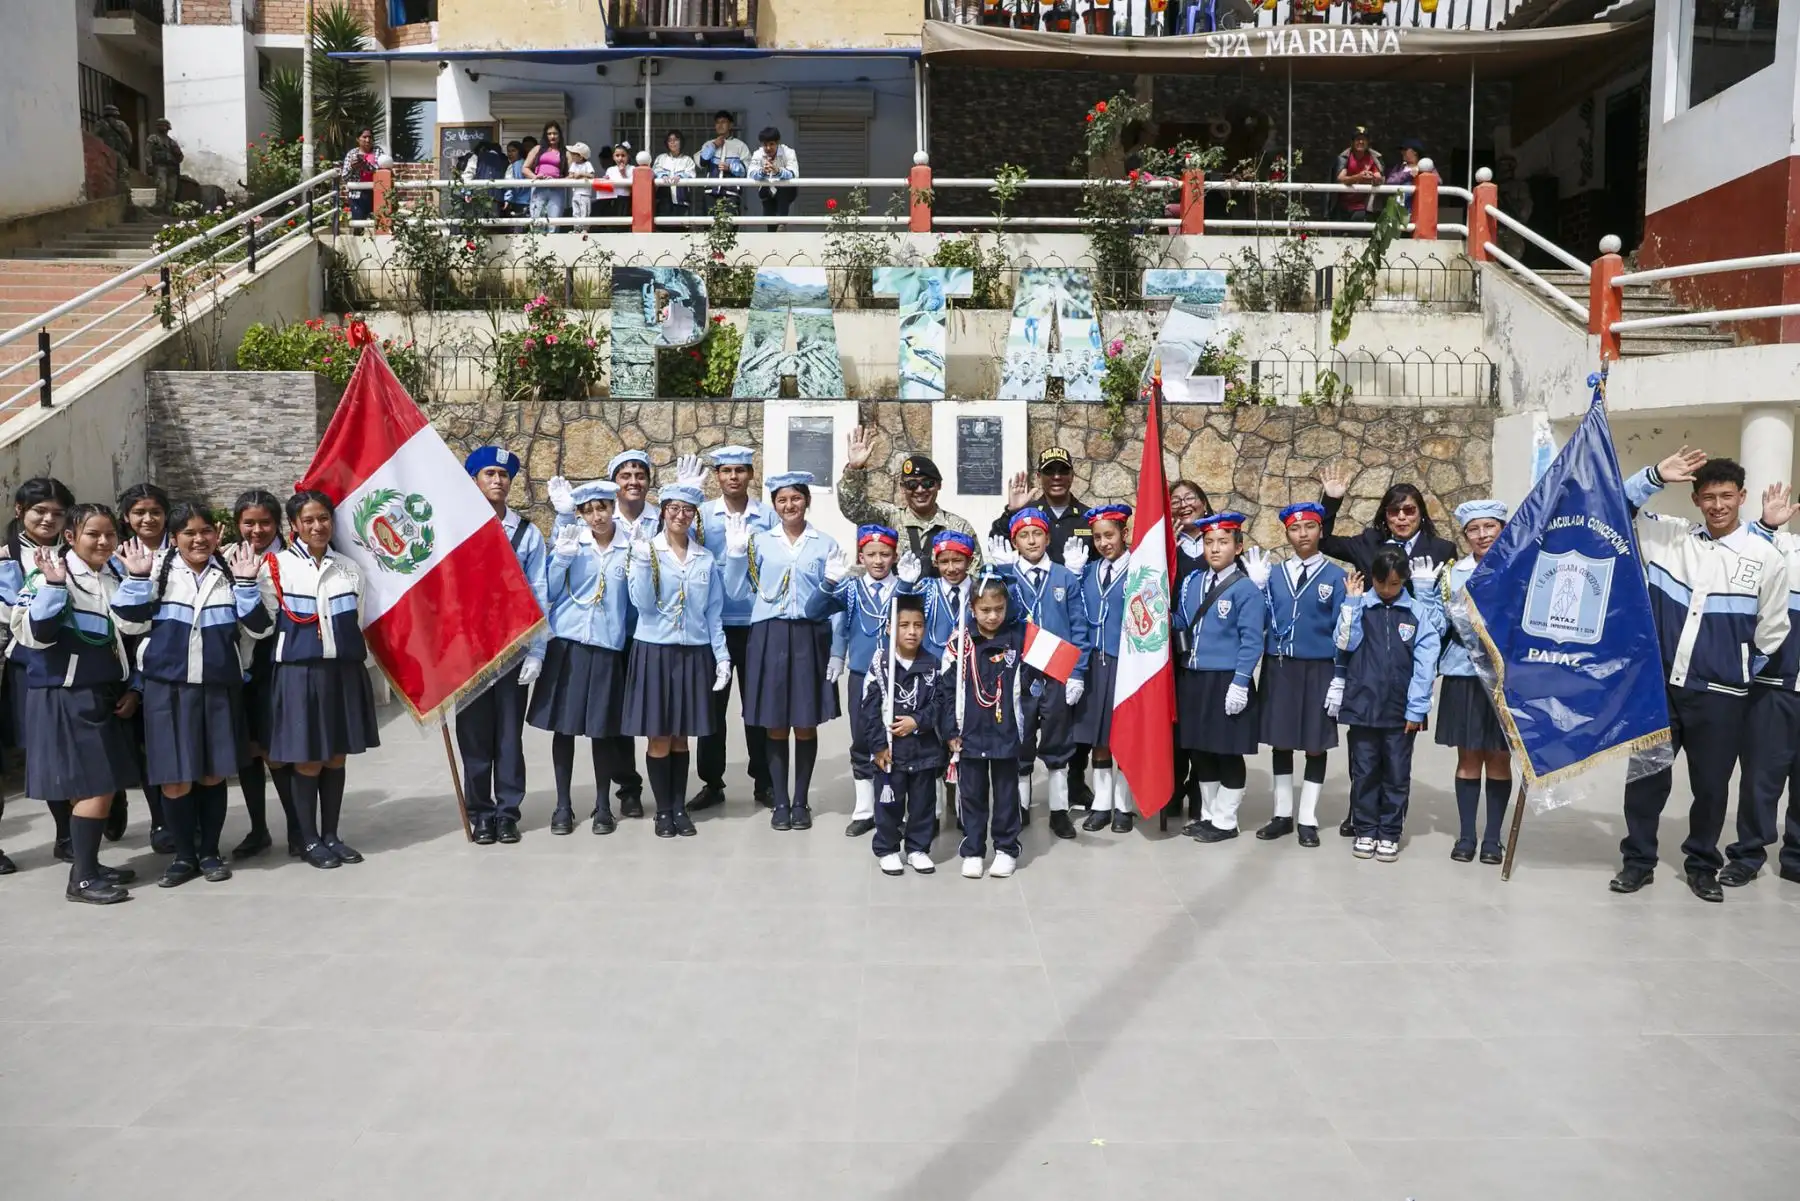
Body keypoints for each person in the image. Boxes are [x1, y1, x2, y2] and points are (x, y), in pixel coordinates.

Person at [1613, 451, 1789, 903]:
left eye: (1726, 496)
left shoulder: (1765, 557)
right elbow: (1615, 507)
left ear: (1742, 497)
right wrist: (1654, 475)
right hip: (1658, 692)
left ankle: (1702, 866)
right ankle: (1638, 862)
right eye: (1708, 497)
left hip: (1721, 697)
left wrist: (1740, 668)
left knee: (1710, 788)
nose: (1717, 505)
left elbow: (1773, 628)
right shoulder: (1669, 536)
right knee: (1646, 781)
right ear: (1695, 500)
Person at [113, 504, 266, 888]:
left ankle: (210, 852)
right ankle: (184, 856)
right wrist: (136, 578)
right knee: (175, 780)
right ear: (174, 537)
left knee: (212, 775)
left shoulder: (232, 572)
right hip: (168, 689)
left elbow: (260, 629)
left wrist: (248, 586)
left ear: (217, 533)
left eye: (205, 532)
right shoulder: (154, 570)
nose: (199, 540)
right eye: (189, 533)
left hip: (217, 688)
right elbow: (128, 623)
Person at [12, 503, 146, 904]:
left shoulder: (111, 574)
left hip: (99, 691)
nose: (104, 542)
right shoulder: (48, 575)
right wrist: (54, 589)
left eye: (110, 534)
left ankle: (90, 864)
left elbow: (133, 626)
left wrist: (138, 579)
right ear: (70, 537)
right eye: (93, 534)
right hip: (66, 694)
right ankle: (82, 879)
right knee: (96, 786)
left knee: (94, 786)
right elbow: (33, 636)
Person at [258, 491, 381, 870]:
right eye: (308, 520)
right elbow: (262, 627)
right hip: (300, 674)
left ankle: (331, 835)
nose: (317, 526)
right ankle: (307, 838)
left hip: (342, 671)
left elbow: (359, 620)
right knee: (308, 759)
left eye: (323, 518)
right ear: (294, 525)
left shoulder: (349, 568)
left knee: (335, 756)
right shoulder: (275, 567)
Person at [721, 472, 849, 831]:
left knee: (805, 723)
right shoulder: (760, 542)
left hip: (811, 636)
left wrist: (838, 651)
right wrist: (735, 555)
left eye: (796, 498)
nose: (789, 505)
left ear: (807, 501)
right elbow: (736, 590)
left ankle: (800, 801)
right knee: (775, 723)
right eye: (782, 500)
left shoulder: (825, 544)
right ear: (774, 505)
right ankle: (779, 800)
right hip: (770, 634)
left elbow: (838, 603)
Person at [623, 483, 731, 838]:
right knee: (659, 736)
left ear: (694, 516)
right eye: (674, 508)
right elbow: (642, 605)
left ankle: (679, 807)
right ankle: (662, 810)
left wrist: (721, 656)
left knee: (682, 737)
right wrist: (641, 563)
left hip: (693, 652)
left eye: (688, 510)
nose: (680, 516)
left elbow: (713, 612)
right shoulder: (647, 550)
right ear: (664, 512)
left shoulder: (705, 558)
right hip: (655, 651)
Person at [455, 448, 547, 846]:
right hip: (469, 654)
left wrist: (538, 651)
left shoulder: (526, 533)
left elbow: (539, 593)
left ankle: (508, 813)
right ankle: (481, 813)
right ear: (473, 480)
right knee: (474, 738)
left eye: (503, 475)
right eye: (489, 474)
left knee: (509, 738)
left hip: (512, 649)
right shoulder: (457, 531)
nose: (497, 481)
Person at [533, 477, 632, 836]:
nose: (596, 517)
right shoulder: (573, 541)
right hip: (569, 643)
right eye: (588, 511)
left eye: (601, 508)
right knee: (565, 728)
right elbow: (548, 589)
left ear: (613, 508)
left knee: (601, 731)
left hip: (606, 646)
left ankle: (603, 805)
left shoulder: (630, 547)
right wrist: (561, 558)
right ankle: (563, 805)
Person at [987, 510, 1091, 839]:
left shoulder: (1064, 577)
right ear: (1014, 542)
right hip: (1019, 672)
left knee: (1058, 742)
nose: (1031, 541)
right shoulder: (1006, 577)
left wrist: (1077, 672)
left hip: (1057, 672)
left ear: (1048, 538)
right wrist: (1004, 575)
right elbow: (995, 623)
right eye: (1023, 535)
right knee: (1020, 739)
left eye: (1037, 534)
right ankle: (1020, 807)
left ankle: (1059, 811)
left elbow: (1078, 627)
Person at [1334, 548, 1440, 862]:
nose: (1386, 590)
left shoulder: (1416, 612)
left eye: (1394, 584)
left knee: (1396, 773)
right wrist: (1352, 602)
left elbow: (1426, 664)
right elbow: (1345, 642)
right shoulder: (1360, 606)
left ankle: (1390, 832)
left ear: (1404, 580)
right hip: (1362, 706)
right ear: (1373, 578)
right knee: (1364, 771)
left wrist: (1416, 708)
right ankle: (1365, 829)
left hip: (1399, 711)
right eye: (1381, 582)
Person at [1252, 502, 1347, 849]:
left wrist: (1340, 676)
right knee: (1281, 741)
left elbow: (1343, 631)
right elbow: (1260, 621)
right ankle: (1282, 813)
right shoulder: (1273, 574)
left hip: (1319, 667)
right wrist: (1256, 590)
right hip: (1280, 667)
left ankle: (1307, 817)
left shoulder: (1336, 577)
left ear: (1321, 530)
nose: (1303, 534)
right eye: (1295, 528)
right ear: (1287, 533)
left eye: (1310, 527)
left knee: (1315, 744)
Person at [689, 448, 775, 811]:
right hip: (713, 624)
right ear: (717, 476)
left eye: (740, 470)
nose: (733, 477)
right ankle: (712, 782)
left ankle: (765, 781)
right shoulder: (702, 514)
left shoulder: (767, 516)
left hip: (755, 622)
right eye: (726, 471)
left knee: (757, 707)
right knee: (712, 708)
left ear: (751, 474)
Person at [1176, 512, 1267, 844]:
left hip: (1226, 679)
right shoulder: (1192, 582)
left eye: (1223, 542)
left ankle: (1227, 821)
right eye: (1209, 542)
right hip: (1194, 678)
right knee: (1201, 751)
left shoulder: (1246, 590)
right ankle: (1209, 814)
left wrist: (1240, 682)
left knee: (1227, 752)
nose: (1215, 549)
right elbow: (1182, 620)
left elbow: (1252, 641)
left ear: (1238, 547)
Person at [0, 477, 75, 869]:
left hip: (77, 664)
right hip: (26, 666)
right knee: (41, 751)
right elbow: (10, 615)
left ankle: (78, 828)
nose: (48, 519)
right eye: (39, 511)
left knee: (71, 748)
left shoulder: (78, 551)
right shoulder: (5, 559)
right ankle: (65, 835)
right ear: (19, 511)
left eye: (57, 513)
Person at [829, 525, 922, 837]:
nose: (878, 560)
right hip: (862, 675)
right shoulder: (852, 588)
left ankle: (898, 809)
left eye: (885, 554)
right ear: (861, 556)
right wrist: (837, 655)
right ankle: (865, 810)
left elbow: (915, 623)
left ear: (895, 556)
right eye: (871, 554)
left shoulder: (906, 587)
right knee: (862, 739)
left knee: (900, 739)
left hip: (899, 675)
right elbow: (830, 618)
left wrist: (907, 586)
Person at [1435, 499, 1513, 865]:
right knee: (1468, 757)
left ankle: (1493, 838)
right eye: (1474, 529)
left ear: (1502, 529)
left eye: (1489, 527)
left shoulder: (1519, 567)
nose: (1482, 535)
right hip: (1464, 673)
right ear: (1465, 535)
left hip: (1505, 677)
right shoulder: (1453, 574)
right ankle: (1466, 835)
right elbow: (1440, 624)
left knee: (1499, 756)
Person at [1731, 483, 1800, 887]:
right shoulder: (1785, 549)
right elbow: (1745, 554)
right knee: (1761, 778)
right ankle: (1747, 855)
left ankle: (1796, 859)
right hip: (1775, 688)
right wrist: (1767, 525)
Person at [229, 489, 299, 859]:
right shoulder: (224, 557)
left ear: (278, 524)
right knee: (248, 750)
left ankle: (298, 827)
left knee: (277, 751)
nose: (257, 530)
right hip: (234, 667)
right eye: (249, 523)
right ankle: (258, 828)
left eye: (265, 523)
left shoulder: (290, 560)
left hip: (275, 663)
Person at [942, 574, 1026, 879]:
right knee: (972, 795)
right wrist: (950, 731)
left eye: (999, 609)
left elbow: (1033, 685)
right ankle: (973, 849)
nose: (992, 616)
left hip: (1006, 734)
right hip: (969, 734)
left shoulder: (1019, 639)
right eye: (985, 610)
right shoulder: (959, 643)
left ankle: (1006, 849)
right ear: (972, 609)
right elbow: (945, 691)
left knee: (1006, 795)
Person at [861, 594, 949, 876]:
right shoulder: (880, 664)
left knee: (923, 804)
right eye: (904, 625)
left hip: (924, 751)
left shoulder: (933, 665)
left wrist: (916, 721)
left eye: (918, 625)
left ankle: (917, 849)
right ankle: (887, 849)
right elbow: (869, 709)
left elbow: (940, 704)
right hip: (891, 752)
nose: (912, 632)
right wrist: (878, 746)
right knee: (889, 803)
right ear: (890, 628)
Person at [838, 426, 982, 577]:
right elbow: (853, 509)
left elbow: (975, 575)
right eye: (912, 484)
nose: (920, 490)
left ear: (939, 485)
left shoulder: (959, 528)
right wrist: (854, 469)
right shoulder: (888, 519)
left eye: (927, 483)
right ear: (902, 488)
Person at [115, 482, 172, 851]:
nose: (148, 519)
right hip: (129, 664)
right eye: (139, 512)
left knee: (175, 747)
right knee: (146, 748)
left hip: (173, 662)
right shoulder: (114, 556)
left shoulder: (183, 550)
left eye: (155, 512)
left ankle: (185, 820)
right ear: (126, 517)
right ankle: (160, 820)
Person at [1071, 504, 1132, 829]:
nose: (1104, 543)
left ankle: (1124, 805)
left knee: (1125, 737)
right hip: (1095, 663)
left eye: (1110, 535)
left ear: (1124, 534)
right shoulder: (1089, 571)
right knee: (1099, 737)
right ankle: (1102, 803)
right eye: (1097, 537)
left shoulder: (1139, 569)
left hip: (1127, 664)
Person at [605, 450, 657, 816]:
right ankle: (628, 787)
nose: (634, 481)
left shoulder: (662, 517)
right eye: (626, 476)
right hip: (612, 632)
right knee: (617, 715)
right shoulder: (602, 518)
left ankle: (666, 786)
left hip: (653, 631)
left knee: (657, 710)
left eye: (640, 475)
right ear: (614, 483)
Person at [1316, 462, 1456, 581]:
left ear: (1421, 514)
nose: (1401, 517)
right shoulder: (1368, 542)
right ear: (1385, 516)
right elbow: (1321, 542)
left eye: (1409, 510)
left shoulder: (1443, 550)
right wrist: (1331, 501)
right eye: (1394, 511)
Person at [1167, 479, 1215, 817]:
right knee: (1175, 721)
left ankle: (1201, 786)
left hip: (1211, 646)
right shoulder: (1165, 544)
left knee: (1203, 719)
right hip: (1174, 646)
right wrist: (1166, 550)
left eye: (1190, 498)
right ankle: (1173, 786)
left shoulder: (1218, 539)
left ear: (1204, 503)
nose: (1184, 504)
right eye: (1176, 500)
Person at [990, 447, 1094, 562]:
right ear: (1039, 476)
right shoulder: (1027, 513)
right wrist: (1011, 511)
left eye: (1063, 471)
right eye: (1049, 471)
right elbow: (996, 544)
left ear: (1072, 475)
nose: (1057, 477)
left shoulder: (1088, 517)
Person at [697, 110, 750, 216]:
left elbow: (747, 169)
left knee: (729, 224)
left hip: (731, 193)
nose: (720, 125)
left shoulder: (740, 145)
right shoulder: (708, 144)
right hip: (710, 192)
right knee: (709, 224)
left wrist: (730, 167)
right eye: (717, 122)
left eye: (723, 122)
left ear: (731, 125)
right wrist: (714, 146)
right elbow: (702, 162)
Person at [749, 126, 799, 226]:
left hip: (787, 191)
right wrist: (763, 171)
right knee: (769, 215)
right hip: (766, 191)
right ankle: (772, 229)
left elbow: (793, 174)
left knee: (782, 188)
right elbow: (751, 174)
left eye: (771, 144)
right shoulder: (758, 154)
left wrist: (778, 171)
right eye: (765, 145)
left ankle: (781, 224)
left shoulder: (788, 152)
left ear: (778, 143)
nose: (768, 148)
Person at [1334, 124, 1384, 222]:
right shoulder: (1345, 157)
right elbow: (1340, 179)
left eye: (1364, 139)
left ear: (1368, 142)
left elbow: (1379, 177)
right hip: (1342, 205)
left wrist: (1373, 178)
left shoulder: (1374, 158)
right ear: (1352, 142)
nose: (1361, 142)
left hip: (1362, 206)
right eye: (1358, 139)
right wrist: (1358, 177)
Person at [526, 121, 568, 227]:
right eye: (549, 134)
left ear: (559, 135)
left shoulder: (565, 152)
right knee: (537, 221)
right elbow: (525, 168)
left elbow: (571, 174)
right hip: (539, 188)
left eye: (555, 133)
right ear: (545, 135)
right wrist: (535, 177)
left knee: (554, 223)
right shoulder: (538, 149)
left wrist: (558, 181)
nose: (552, 136)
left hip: (556, 189)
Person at [654, 130, 697, 217]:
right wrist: (663, 175)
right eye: (670, 140)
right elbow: (655, 170)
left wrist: (681, 176)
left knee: (679, 224)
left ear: (681, 142)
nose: (672, 142)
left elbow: (691, 174)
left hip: (681, 200)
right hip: (663, 200)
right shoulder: (661, 158)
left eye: (676, 140)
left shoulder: (687, 160)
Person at [342, 128, 380, 224]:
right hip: (357, 194)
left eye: (370, 137)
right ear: (358, 139)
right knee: (358, 222)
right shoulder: (352, 154)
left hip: (375, 192)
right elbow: (345, 176)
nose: (367, 140)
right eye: (364, 137)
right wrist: (352, 167)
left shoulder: (378, 151)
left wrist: (366, 165)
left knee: (378, 222)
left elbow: (380, 170)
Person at [147, 117, 183, 211]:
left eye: (165, 126)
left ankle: (169, 209)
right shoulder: (153, 139)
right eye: (161, 125)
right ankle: (159, 209)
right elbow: (148, 152)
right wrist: (149, 164)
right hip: (160, 166)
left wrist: (177, 156)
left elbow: (180, 156)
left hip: (171, 168)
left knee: (171, 190)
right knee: (162, 188)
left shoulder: (171, 141)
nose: (163, 128)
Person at [1385, 138, 1429, 215]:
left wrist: (1422, 174)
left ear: (1415, 152)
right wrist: (1408, 174)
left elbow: (1438, 181)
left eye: (1405, 149)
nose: (1402, 152)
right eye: (1402, 150)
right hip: (1401, 212)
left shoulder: (1427, 166)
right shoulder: (1399, 167)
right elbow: (1389, 181)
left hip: (1421, 210)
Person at [565, 142, 597, 226]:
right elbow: (570, 175)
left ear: (581, 156)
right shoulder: (573, 164)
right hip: (576, 193)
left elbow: (592, 175)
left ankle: (584, 229)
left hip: (585, 194)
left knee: (584, 212)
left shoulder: (587, 164)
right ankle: (577, 229)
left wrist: (581, 174)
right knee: (576, 212)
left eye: (574, 154)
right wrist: (570, 177)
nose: (571, 156)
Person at [603, 143, 634, 219]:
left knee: (624, 220)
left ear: (628, 157)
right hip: (612, 199)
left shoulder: (632, 169)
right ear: (613, 157)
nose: (620, 158)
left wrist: (623, 174)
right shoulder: (610, 169)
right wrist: (605, 180)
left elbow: (632, 188)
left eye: (623, 156)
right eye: (617, 155)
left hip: (626, 199)